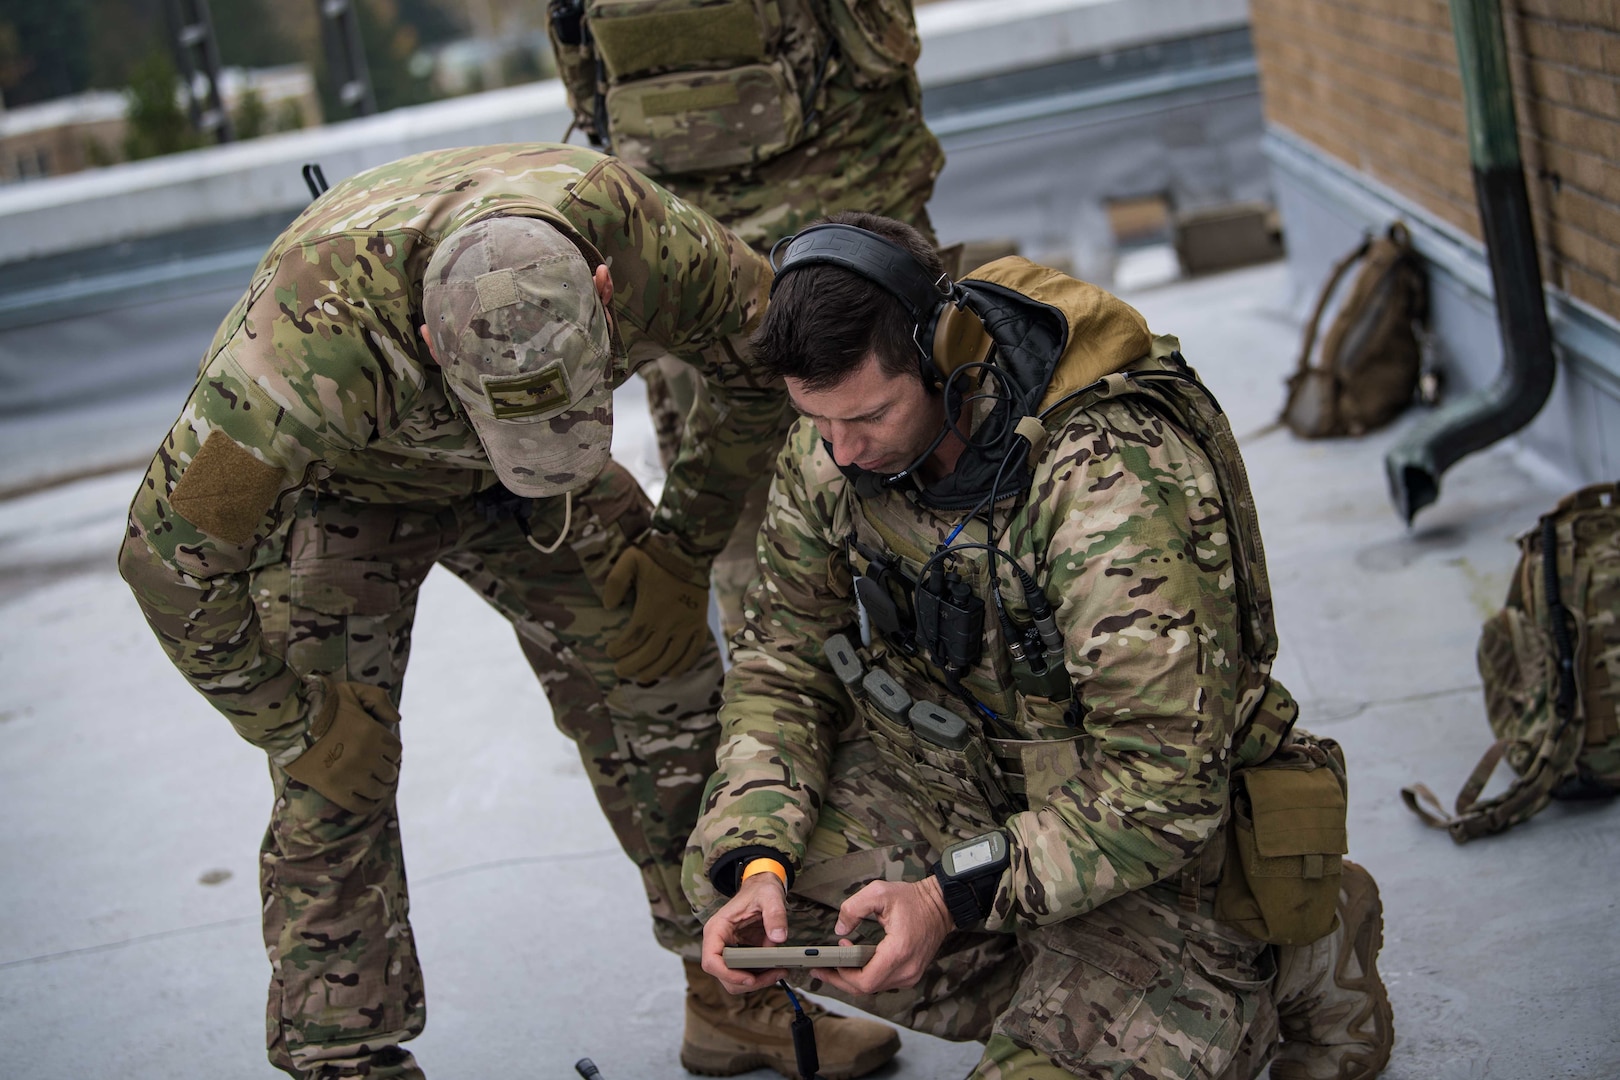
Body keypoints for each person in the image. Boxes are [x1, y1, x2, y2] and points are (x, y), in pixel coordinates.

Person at [115, 143, 893, 1080]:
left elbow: (763, 371)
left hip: (537, 492)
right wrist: (288, 719)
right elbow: (167, 565)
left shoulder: (657, 244)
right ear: (434, 344)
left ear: (605, 293)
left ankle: (734, 993)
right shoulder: (292, 362)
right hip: (350, 492)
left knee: (668, 673)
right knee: (335, 770)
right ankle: (345, 1060)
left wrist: (682, 555)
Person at [684, 212, 1396, 1080]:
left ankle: (1292, 953)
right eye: (817, 420)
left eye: (868, 416)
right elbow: (781, 667)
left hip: (1161, 851)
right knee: (758, 892)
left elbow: (1166, 782)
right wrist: (757, 856)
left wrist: (947, 898)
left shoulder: (1102, 479)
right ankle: (1070, 999)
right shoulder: (833, 452)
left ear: (941, 357)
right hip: (971, 801)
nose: (842, 450)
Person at [546, 0, 944, 644]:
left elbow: (584, 87)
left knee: (740, 518)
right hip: (854, 235)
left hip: (684, 251)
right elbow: (884, 45)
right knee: (917, 458)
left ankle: (780, 686)